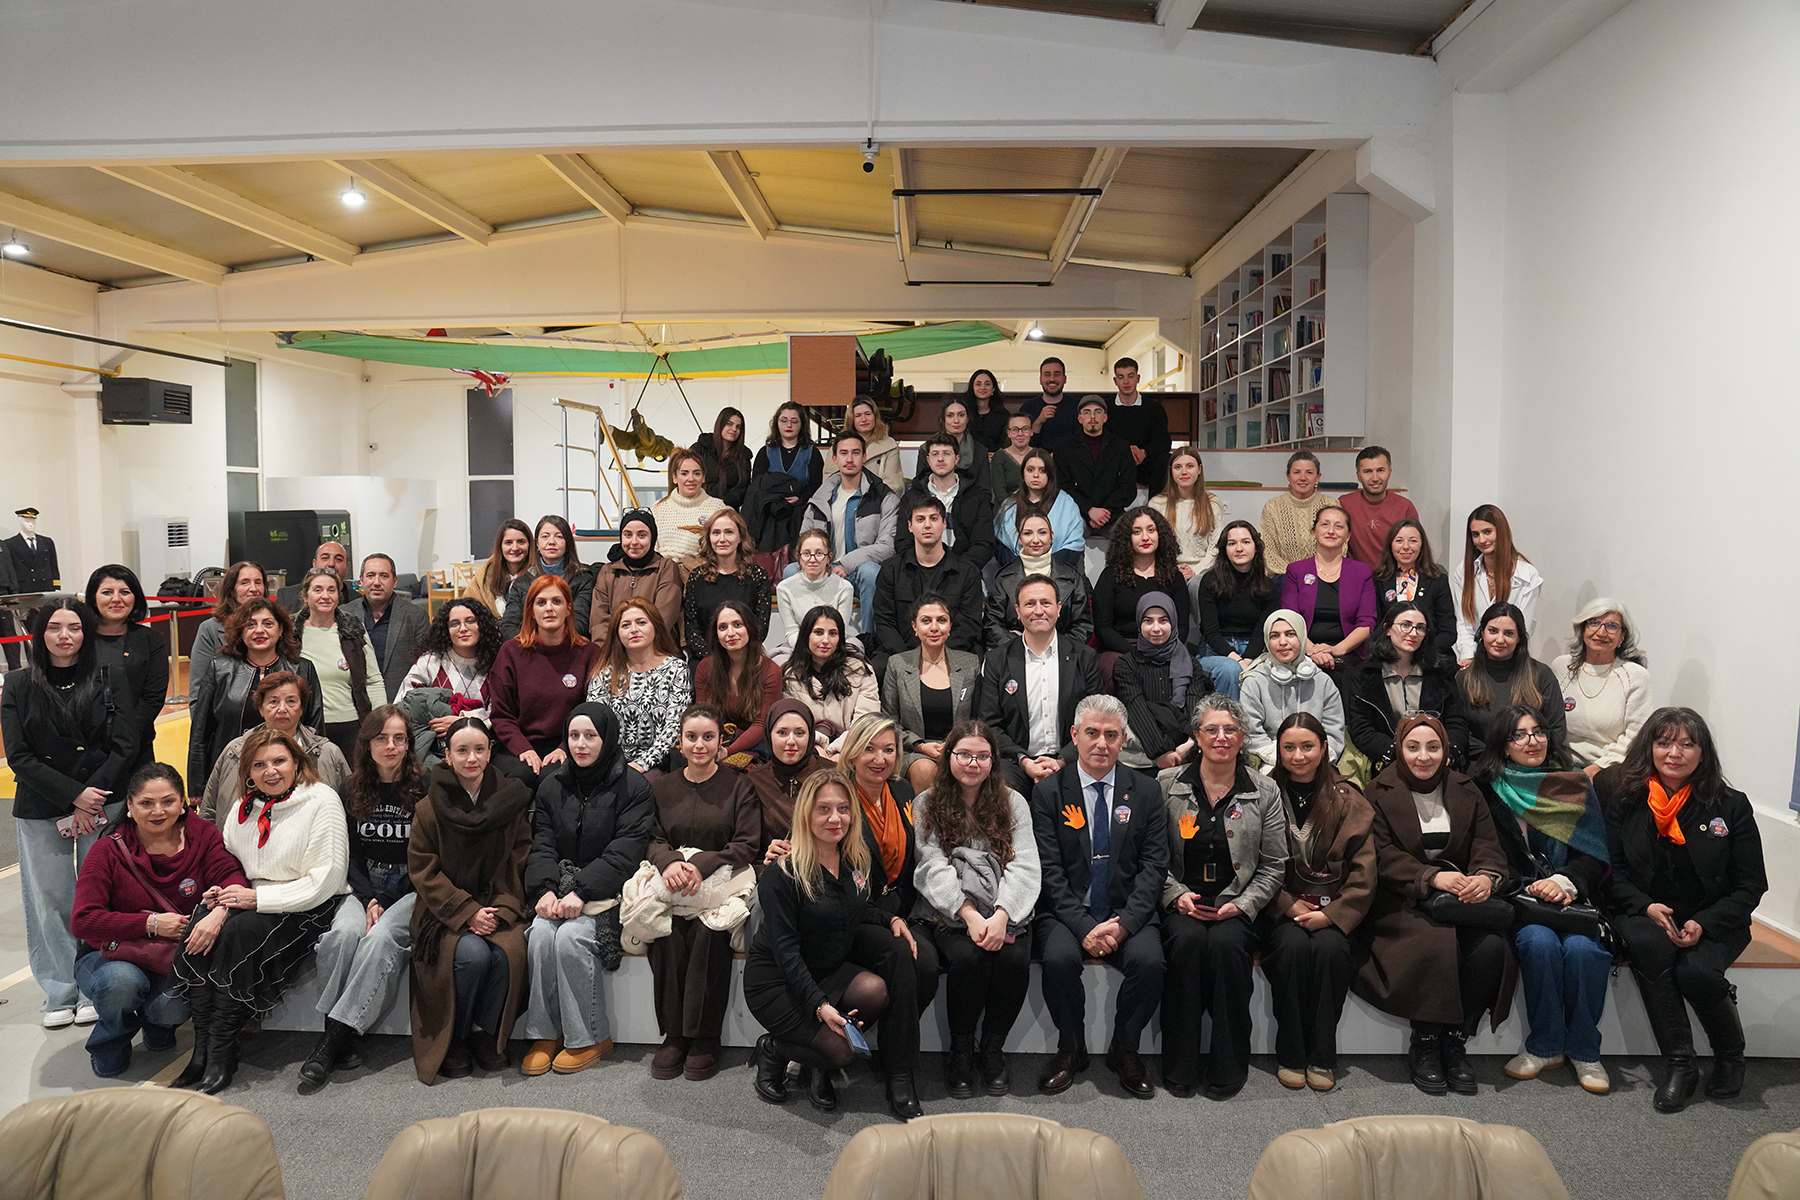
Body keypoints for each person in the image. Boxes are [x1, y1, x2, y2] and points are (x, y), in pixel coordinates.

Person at [171, 726, 349, 1093]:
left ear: (297, 763)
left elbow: (327, 880)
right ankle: (201, 1050)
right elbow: (229, 864)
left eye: (279, 761)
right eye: (259, 764)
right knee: (200, 924)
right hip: (252, 898)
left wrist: (257, 900)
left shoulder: (322, 800)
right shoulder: (243, 807)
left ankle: (222, 1052)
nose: (270, 771)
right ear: (248, 771)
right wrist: (222, 899)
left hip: (306, 903)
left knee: (237, 934)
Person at [1604, 708, 1766, 1112]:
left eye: (1686, 744)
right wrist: (1645, 906)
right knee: (1651, 946)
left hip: (1715, 916)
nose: (1674, 753)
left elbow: (1751, 885)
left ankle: (1730, 1057)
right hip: (1644, 911)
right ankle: (1680, 1065)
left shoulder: (1731, 805)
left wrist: (1703, 922)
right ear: (1650, 748)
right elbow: (1613, 872)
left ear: (1702, 752)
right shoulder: (1626, 799)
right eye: (1664, 743)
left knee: (1696, 972)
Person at [745, 771, 924, 1119]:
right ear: (806, 814)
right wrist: (820, 1006)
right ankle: (774, 1049)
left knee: (875, 991)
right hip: (778, 981)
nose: (835, 818)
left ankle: (817, 1064)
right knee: (844, 1053)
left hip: (826, 969)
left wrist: (891, 919)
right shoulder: (783, 873)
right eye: (823, 809)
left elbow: (856, 908)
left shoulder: (855, 859)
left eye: (843, 808)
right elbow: (786, 951)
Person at [1354, 714, 1513, 1097]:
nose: (1423, 756)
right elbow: (1379, 854)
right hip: (1402, 900)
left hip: (1461, 897)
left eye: (1433, 747)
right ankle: (1425, 1041)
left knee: (1491, 947)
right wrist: (1430, 877)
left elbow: (1486, 843)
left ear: (1446, 751)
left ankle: (1454, 1040)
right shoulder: (1377, 790)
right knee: (1433, 941)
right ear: (1399, 749)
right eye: (1413, 747)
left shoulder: (1466, 789)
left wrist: (1485, 877)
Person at [3, 599, 138, 1028]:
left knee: (102, 896)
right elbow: (19, 755)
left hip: (103, 799)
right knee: (50, 900)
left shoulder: (110, 676)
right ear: (39, 634)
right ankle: (60, 990)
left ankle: (97, 984)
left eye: (74, 627)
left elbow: (126, 744)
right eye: (54, 627)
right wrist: (73, 797)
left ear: (87, 633)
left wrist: (89, 797)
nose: (65, 636)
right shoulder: (18, 683)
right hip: (43, 804)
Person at [1031, 695, 1169, 1098]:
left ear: (1124, 740)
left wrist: (1125, 925)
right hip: (1068, 910)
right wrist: (1084, 928)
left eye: (1111, 735)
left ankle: (1125, 1048)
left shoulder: (1146, 791)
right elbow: (1049, 871)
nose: (1101, 743)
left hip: (1127, 910)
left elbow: (1154, 867)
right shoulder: (1049, 792)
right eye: (1092, 733)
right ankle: (1070, 1048)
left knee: (1150, 962)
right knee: (1058, 959)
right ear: (1074, 735)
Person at [1471, 706, 1613, 1096]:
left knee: (1584, 950)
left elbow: (1596, 854)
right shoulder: (1487, 788)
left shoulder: (1575, 783)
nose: (1532, 741)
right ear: (1504, 745)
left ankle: (1585, 1051)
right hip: (1521, 900)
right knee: (1539, 943)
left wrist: (1566, 881)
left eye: (1538, 732)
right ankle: (1545, 1047)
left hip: (1573, 899)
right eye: (1519, 735)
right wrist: (1528, 886)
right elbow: (1485, 851)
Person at [71, 764, 244, 1077]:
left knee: (171, 1008)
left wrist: (221, 911)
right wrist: (150, 924)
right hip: (110, 953)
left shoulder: (203, 836)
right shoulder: (107, 850)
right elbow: (83, 921)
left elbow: (233, 878)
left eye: (168, 801)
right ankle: (110, 1041)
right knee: (121, 985)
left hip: (171, 955)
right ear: (130, 806)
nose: (158, 811)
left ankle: (158, 1025)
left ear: (183, 803)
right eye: (146, 803)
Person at [1155, 694, 1288, 1099]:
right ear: (1196, 736)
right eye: (1211, 729)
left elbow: (1274, 865)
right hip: (1183, 902)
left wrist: (1243, 905)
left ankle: (1228, 1065)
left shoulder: (1265, 790)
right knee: (1186, 944)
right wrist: (1175, 894)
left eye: (1230, 729)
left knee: (1228, 949)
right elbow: (1151, 857)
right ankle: (1179, 1063)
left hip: (1238, 904)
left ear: (1243, 736)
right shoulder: (1166, 785)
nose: (1221, 737)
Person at [520, 703, 655, 1077]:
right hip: (559, 890)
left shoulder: (634, 787)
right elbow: (543, 843)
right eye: (574, 736)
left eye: (590, 736)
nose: (580, 744)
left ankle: (590, 1036)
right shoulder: (552, 785)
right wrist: (544, 891)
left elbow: (626, 851)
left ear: (607, 738)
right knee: (540, 935)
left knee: (571, 938)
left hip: (611, 893)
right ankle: (545, 1034)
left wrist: (581, 892)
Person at [301, 705, 427, 1089]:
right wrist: (370, 897)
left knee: (379, 940)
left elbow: (428, 855)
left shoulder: (425, 787)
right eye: (381, 738)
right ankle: (341, 1031)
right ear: (367, 743)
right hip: (363, 884)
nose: (390, 746)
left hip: (411, 887)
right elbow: (349, 853)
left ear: (408, 744)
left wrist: (386, 901)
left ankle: (332, 1041)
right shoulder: (351, 788)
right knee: (341, 936)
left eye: (399, 738)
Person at [913, 719, 1040, 1098]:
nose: (973, 763)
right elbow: (931, 865)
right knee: (969, 958)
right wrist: (968, 913)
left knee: (1014, 958)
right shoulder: (926, 803)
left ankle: (993, 1049)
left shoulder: (1013, 802)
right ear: (948, 756)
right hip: (948, 910)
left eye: (982, 756)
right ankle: (962, 1051)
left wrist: (1002, 915)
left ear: (993, 760)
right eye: (964, 754)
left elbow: (1024, 864)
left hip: (1005, 908)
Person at [407, 717, 532, 1084]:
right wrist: (467, 912)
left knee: (508, 955)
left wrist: (502, 908)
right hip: (443, 911)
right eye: (462, 750)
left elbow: (519, 859)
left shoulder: (511, 801)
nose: (471, 758)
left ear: (490, 752)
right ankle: (455, 1036)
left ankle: (484, 1032)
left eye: (479, 749)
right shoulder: (429, 808)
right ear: (447, 755)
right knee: (473, 956)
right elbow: (424, 871)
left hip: (498, 904)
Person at [1261, 712, 1376, 1093]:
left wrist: (1332, 915)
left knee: (1330, 951)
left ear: (1325, 748)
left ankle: (1322, 1055)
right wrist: (1286, 905)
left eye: (1307, 746)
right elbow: (1250, 862)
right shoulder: (1263, 793)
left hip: (1334, 910)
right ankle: (1291, 1053)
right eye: (1289, 747)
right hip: (1280, 910)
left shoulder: (1349, 798)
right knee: (1292, 949)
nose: (1298, 756)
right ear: (1278, 750)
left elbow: (1363, 870)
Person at [646, 705, 761, 1081]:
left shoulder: (739, 786)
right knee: (667, 933)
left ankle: (705, 1036)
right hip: (673, 882)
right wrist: (670, 862)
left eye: (708, 737)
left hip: (722, 882)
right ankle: (675, 1034)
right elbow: (651, 837)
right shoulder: (661, 787)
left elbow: (747, 843)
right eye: (691, 737)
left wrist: (703, 865)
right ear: (679, 742)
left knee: (708, 934)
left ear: (720, 742)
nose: (699, 745)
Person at [840, 712, 942, 1026]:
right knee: (904, 956)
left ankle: (891, 1040)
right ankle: (896, 1050)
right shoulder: (837, 797)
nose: (880, 758)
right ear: (852, 752)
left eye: (888, 749)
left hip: (901, 906)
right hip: (855, 913)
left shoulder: (902, 790)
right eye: (869, 749)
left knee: (927, 965)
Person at [186, 599, 323, 798]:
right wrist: (198, 787)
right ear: (240, 632)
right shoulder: (219, 668)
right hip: (233, 773)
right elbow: (201, 732)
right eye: (250, 624)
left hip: (289, 775)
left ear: (280, 629)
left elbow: (314, 728)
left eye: (268, 623)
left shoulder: (303, 669)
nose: (259, 630)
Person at [977, 575, 1099, 797]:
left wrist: (1062, 760)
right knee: (1000, 788)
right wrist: (1024, 761)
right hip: (1016, 762)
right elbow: (990, 723)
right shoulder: (998, 660)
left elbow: (1095, 720)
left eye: (1046, 603)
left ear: (1059, 608)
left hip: (1073, 759)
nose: (1039, 611)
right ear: (1017, 610)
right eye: (1030, 604)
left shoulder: (1084, 657)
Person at [487, 574, 601, 785]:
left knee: (554, 779)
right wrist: (524, 749)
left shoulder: (589, 653)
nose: (549, 608)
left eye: (556, 601)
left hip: (572, 745)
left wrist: (565, 748)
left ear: (568, 609)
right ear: (531, 611)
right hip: (517, 746)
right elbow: (501, 715)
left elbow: (595, 711)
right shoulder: (511, 652)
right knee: (522, 776)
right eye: (541, 603)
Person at [201, 671, 350, 822]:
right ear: (261, 709)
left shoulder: (326, 753)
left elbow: (350, 809)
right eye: (273, 701)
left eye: (291, 701)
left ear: (301, 709)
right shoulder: (235, 752)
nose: (282, 709)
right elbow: (208, 812)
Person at [1344, 603, 1468, 774]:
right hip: (1388, 763)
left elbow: (1456, 722)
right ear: (1387, 629)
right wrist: (1399, 754)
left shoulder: (1440, 673)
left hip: (1436, 761)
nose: (1413, 633)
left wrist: (1448, 753)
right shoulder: (1365, 674)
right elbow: (1362, 729)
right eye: (1405, 625)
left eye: (1420, 628)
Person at [796, 430, 899, 633]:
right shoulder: (820, 497)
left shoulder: (884, 497)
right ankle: (805, 640)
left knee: (871, 572)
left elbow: (887, 546)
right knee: (792, 571)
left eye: (855, 453)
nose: (849, 459)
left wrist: (846, 564)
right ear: (835, 458)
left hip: (858, 571)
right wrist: (821, 563)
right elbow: (804, 540)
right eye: (843, 453)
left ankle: (869, 639)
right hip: (824, 568)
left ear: (864, 457)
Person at [870, 498, 985, 679]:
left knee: (972, 665)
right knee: (878, 667)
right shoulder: (891, 570)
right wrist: (908, 659)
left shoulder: (967, 572)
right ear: (910, 526)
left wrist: (938, 657)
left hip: (953, 651)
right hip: (902, 651)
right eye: (920, 519)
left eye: (934, 518)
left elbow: (969, 625)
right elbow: (884, 621)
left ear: (944, 524)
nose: (927, 525)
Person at [880, 594, 982, 794]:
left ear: (950, 626)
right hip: (913, 750)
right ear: (915, 627)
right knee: (925, 769)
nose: (934, 627)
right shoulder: (897, 664)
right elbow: (889, 722)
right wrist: (919, 745)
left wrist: (955, 745)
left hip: (961, 749)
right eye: (926, 621)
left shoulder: (970, 664)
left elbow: (977, 719)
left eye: (941, 620)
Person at [584, 597, 688, 777]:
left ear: (655, 626)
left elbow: (674, 727)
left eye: (641, 622)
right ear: (617, 633)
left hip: (656, 764)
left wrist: (642, 764)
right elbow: (594, 723)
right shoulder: (604, 672)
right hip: (610, 761)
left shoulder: (677, 669)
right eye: (625, 625)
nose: (634, 629)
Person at [85, 565, 168, 778]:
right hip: (86, 748)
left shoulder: (152, 639)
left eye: (124, 592)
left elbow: (153, 697)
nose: (116, 599)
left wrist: (124, 738)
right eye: (107, 592)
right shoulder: (80, 638)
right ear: (93, 598)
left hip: (136, 745)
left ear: (135, 597)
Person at [1458, 602, 1567, 765]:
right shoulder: (1464, 678)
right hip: (1482, 766)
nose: (1500, 639)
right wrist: (1498, 756)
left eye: (1509, 633)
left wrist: (1523, 755)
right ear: (1482, 633)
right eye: (1493, 631)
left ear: (1519, 638)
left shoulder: (1541, 675)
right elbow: (1459, 732)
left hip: (1532, 766)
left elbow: (1557, 730)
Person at [1553, 598, 1652, 776]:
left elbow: (1635, 736)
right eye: (1594, 623)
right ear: (1583, 629)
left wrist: (1595, 770)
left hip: (1610, 768)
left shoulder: (1635, 676)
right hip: (1559, 762)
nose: (1601, 632)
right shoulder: (1561, 667)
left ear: (1622, 636)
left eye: (1612, 626)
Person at [1280, 505, 1378, 685]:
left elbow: (1366, 623)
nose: (1331, 531)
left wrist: (1336, 650)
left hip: (1348, 652)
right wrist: (1313, 651)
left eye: (1339, 526)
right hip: (1303, 650)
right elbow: (1289, 619)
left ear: (1348, 536)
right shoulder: (1296, 570)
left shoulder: (1362, 572)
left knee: (1343, 675)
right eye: (1325, 524)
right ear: (1314, 532)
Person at [1093, 507, 1192, 683]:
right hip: (1121, 649)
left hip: (1165, 647)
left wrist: (1164, 650)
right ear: (1126, 538)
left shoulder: (1174, 577)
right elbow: (1103, 628)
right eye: (1137, 532)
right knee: (1114, 668)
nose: (1145, 537)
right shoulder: (1110, 576)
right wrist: (1134, 654)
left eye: (1151, 530)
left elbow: (1182, 626)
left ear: (1160, 535)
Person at [295, 566, 384, 759]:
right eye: (318, 590)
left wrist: (379, 724)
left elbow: (374, 680)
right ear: (305, 596)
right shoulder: (291, 632)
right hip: (306, 726)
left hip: (351, 726)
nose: (325, 596)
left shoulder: (353, 629)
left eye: (331, 590)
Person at [396, 597, 502, 757]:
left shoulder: (497, 662)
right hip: (435, 751)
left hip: (485, 750)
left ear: (482, 625)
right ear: (446, 629)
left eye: (470, 621)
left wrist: (464, 721)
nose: (463, 628)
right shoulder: (430, 662)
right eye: (454, 624)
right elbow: (401, 704)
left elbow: (501, 712)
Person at [1239, 610, 1346, 763]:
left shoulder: (1322, 681)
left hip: (1317, 761)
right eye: (1274, 636)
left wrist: (1313, 760)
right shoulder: (1254, 681)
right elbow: (1252, 734)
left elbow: (1334, 732)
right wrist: (1284, 759)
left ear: (1301, 637)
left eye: (1290, 634)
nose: (1282, 642)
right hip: (1272, 761)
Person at [1114, 593, 1201, 772]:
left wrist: (1191, 743)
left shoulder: (1190, 663)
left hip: (1189, 750)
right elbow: (1136, 710)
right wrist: (1162, 752)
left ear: (1173, 622)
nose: (1156, 628)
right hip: (1144, 754)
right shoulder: (1126, 664)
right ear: (1139, 623)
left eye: (1163, 621)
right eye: (1148, 621)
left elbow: (1196, 708)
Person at [780, 607, 879, 759]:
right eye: (818, 632)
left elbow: (866, 721)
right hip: (808, 749)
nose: (825, 640)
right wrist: (817, 748)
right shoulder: (790, 675)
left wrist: (838, 752)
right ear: (806, 636)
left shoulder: (860, 669)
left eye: (832, 633)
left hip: (854, 748)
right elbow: (793, 724)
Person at [1196, 520, 1279, 700]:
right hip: (1215, 651)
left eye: (1246, 542)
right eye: (1232, 543)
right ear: (1225, 549)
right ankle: (1231, 718)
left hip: (1254, 650)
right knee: (1230, 669)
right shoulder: (1210, 581)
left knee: (1264, 671)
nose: (1239, 548)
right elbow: (1210, 631)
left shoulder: (1268, 585)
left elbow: (1261, 632)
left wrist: (1247, 660)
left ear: (1256, 548)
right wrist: (1237, 660)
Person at [986, 510, 1093, 649]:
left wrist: (1056, 648)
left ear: (1051, 536)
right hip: (1014, 654)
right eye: (1028, 533)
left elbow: (1082, 625)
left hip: (1062, 654)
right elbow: (992, 623)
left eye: (1042, 533)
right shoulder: (1003, 577)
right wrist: (1021, 648)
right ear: (1019, 538)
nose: (1035, 540)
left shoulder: (1073, 577)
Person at [694, 599, 783, 767]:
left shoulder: (771, 671)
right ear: (716, 634)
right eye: (723, 627)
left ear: (749, 628)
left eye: (737, 625)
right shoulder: (705, 667)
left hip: (755, 744)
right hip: (717, 739)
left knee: (729, 769)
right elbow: (703, 716)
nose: (730, 633)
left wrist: (728, 751)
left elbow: (761, 725)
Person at [1452, 505, 1542, 666]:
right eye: (1475, 534)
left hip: (1512, 662)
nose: (1481, 540)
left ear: (1501, 532)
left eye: (1487, 532)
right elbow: (1464, 625)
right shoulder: (1464, 571)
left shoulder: (1527, 575)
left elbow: (1523, 630)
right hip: (1474, 661)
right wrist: (1470, 659)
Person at [746, 699, 834, 860]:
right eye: (782, 733)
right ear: (769, 735)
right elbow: (749, 844)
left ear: (810, 736)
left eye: (799, 733)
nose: (791, 741)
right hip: (777, 867)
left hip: (829, 863)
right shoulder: (755, 781)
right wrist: (768, 853)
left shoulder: (833, 775)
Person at [587, 508, 684, 652]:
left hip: (657, 652)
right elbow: (599, 621)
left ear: (652, 538)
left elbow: (663, 620)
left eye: (641, 535)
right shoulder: (608, 571)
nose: (634, 542)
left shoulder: (666, 568)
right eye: (628, 535)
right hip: (614, 653)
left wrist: (637, 654)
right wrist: (608, 654)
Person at [898, 433, 996, 574]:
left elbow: (984, 543)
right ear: (928, 460)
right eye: (935, 454)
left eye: (947, 453)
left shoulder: (977, 497)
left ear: (957, 459)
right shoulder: (911, 498)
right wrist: (922, 567)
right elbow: (903, 542)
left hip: (963, 571)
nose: (940, 459)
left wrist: (960, 569)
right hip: (919, 572)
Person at [683, 508, 772, 662]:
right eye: (716, 533)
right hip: (706, 659)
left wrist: (737, 657)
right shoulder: (697, 577)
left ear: (740, 537)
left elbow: (760, 627)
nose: (722, 539)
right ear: (709, 538)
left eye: (729, 532)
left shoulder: (757, 576)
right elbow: (692, 629)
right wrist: (714, 660)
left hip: (746, 657)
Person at [1053, 396, 1137, 556]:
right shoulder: (1064, 449)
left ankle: (1120, 573)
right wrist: (1089, 509)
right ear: (1080, 418)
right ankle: (1071, 573)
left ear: (1105, 417)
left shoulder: (1121, 447)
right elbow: (1063, 488)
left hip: (1113, 515)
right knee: (1064, 532)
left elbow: (1128, 487)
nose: (1092, 416)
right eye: (1087, 412)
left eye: (1098, 412)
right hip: (1078, 513)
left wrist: (1106, 511)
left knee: (1130, 534)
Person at [1150, 446, 1224, 619]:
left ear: (1199, 469)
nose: (1184, 472)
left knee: (1197, 585)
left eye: (1190, 466)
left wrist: (1196, 570)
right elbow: (1154, 545)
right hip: (1167, 569)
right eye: (1178, 467)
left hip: (1203, 570)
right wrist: (1175, 570)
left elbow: (1216, 545)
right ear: (1171, 471)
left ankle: (1204, 634)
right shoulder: (1157, 504)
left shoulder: (1212, 503)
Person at [746, 400, 825, 560]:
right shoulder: (765, 452)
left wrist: (800, 499)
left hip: (801, 513)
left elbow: (817, 485)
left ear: (802, 425)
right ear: (777, 423)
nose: (789, 425)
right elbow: (757, 487)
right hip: (770, 516)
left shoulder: (812, 452)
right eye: (784, 420)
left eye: (794, 421)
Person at [344, 554, 428, 703]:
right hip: (354, 703)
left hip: (399, 702)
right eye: (370, 575)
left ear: (394, 581)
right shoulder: (345, 614)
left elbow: (426, 666)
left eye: (384, 576)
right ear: (361, 580)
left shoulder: (416, 616)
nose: (377, 582)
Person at [1373, 518, 1457, 664]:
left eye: (1413, 541)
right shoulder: (1379, 581)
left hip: (1430, 659)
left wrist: (1422, 652)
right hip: (1389, 658)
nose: (1406, 547)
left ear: (1422, 545)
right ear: (1390, 545)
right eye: (1399, 541)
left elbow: (1448, 630)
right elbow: (1376, 627)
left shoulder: (1437, 580)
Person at [500, 515, 594, 641]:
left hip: (567, 646)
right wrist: (531, 643)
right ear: (537, 544)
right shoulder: (523, 582)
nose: (551, 542)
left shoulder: (582, 578)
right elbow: (508, 624)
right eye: (545, 536)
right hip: (528, 646)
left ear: (568, 543)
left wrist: (551, 642)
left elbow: (580, 623)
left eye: (559, 536)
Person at [773, 529, 859, 659]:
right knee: (780, 661)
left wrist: (823, 648)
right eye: (806, 554)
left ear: (829, 557)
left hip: (833, 646)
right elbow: (792, 632)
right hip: (800, 647)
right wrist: (810, 650)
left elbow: (839, 631)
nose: (812, 559)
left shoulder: (844, 588)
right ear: (799, 556)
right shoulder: (784, 588)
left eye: (819, 553)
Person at [993, 448, 1084, 568]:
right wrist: (1022, 568)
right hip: (1016, 572)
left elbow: (1073, 546)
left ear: (1050, 474)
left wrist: (1046, 568)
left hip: (1059, 572)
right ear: (1023, 473)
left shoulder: (1067, 504)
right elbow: (1000, 546)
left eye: (1042, 470)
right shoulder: (1009, 505)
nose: (1036, 475)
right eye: (1030, 470)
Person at [189, 560, 267, 690]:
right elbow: (199, 685)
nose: (253, 589)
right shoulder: (210, 629)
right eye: (245, 583)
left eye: (258, 582)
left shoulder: (278, 625)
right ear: (231, 590)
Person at [1339, 446, 1419, 568]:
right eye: (1368, 471)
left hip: (1394, 575)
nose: (1375, 478)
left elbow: (1416, 549)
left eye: (1380, 470)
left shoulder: (1405, 507)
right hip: (1355, 575)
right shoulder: (1344, 504)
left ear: (1389, 473)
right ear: (1358, 476)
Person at [1258, 452, 1335, 576]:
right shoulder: (1273, 507)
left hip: (1323, 576)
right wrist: (1297, 575)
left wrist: (1316, 575)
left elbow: (1339, 548)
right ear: (1288, 477)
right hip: (1284, 577)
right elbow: (1269, 553)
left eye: (1309, 472)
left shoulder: (1331, 505)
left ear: (1318, 477)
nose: (1303, 478)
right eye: (1297, 472)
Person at [1106, 357, 1171, 501]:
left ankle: (1156, 505)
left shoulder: (1154, 408)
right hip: (1117, 465)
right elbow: (1104, 439)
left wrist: (1144, 452)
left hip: (1145, 464)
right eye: (1121, 377)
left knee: (1165, 459)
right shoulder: (1106, 409)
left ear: (1138, 378)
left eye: (1130, 376)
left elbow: (1163, 441)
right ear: (1115, 381)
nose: (1126, 382)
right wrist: (1124, 452)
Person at [652, 449, 726, 565]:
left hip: (703, 571)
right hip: (663, 572)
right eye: (684, 473)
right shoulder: (658, 508)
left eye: (696, 473)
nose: (691, 479)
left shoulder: (717, 508)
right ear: (674, 477)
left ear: (703, 477)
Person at [463, 519, 535, 617]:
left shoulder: (537, 574)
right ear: (500, 546)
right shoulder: (484, 576)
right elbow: (467, 607)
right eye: (508, 542)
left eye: (521, 542)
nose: (515, 548)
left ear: (530, 544)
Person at [693, 407, 752, 510]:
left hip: (727, 509)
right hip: (698, 506)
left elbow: (743, 488)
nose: (734, 429)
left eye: (738, 427)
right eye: (729, 424)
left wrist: (725, 501)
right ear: (720, 424)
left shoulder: (743, 457)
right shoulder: (700, 449)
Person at [274, 540, 353, 612]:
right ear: (314, 564)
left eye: (338, 559)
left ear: (347, 566)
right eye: (325, 558)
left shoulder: (357, 599)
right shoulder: (286, 596)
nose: (331, 564)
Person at [848, 395, 905, 494]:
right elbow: (829, 480)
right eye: (858, 416)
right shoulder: (839, 445)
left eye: (868, 414)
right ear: (851, 420)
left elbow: (894, 484)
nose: (864, 419)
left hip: (879, 500)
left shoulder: (889, 446)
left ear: (875, 416)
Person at [1021, 356, 1078, 450]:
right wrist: (1038, 422)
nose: (1052, 379)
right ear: (1040, 380)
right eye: (1047, 374)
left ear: (1065, 379)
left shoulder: (1077, 407)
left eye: (1057, 374)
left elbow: (1081, 442)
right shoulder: (1028, 408)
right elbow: (1023, 444)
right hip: (1036, 458)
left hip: (1069, 457)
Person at [927, 396, 980, 477]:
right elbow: (921, 481)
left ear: (967, 419)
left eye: (961, 415)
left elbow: (984, 484)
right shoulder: (927, 449)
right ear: (943, 419)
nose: (956, 421)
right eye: (950, 415)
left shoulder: (980, 451)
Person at [988, 411, 1034, 503]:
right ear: (1008, 433)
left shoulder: (1040, 455)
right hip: (1009, 507)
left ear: (1031, 432)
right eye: (1015, 430)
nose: (1020, 434)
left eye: (1025, 429)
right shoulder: (1000, 456)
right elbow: (1000, 493)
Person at [966, 368, 1010, 452]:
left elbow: (1005, 442)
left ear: (993, 388)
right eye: (978, 384)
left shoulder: (1003, 415)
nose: (983, 387)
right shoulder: (964, 413)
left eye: (987, 384)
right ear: (972, 387)